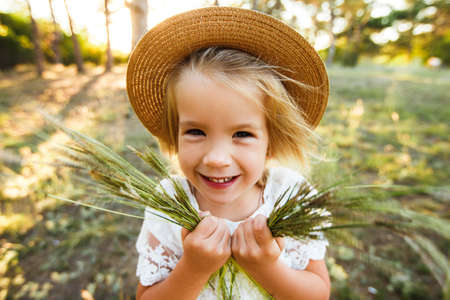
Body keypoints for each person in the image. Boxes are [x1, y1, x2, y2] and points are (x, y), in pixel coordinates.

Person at [126, 7, 330, 300]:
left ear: (270, 142)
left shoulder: (290, 194)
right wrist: (193, 269)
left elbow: (318, 294)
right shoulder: (170, 202)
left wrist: (266, 267)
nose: (216, 158)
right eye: (196, 132)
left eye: (242, 134)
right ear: (175, 134)